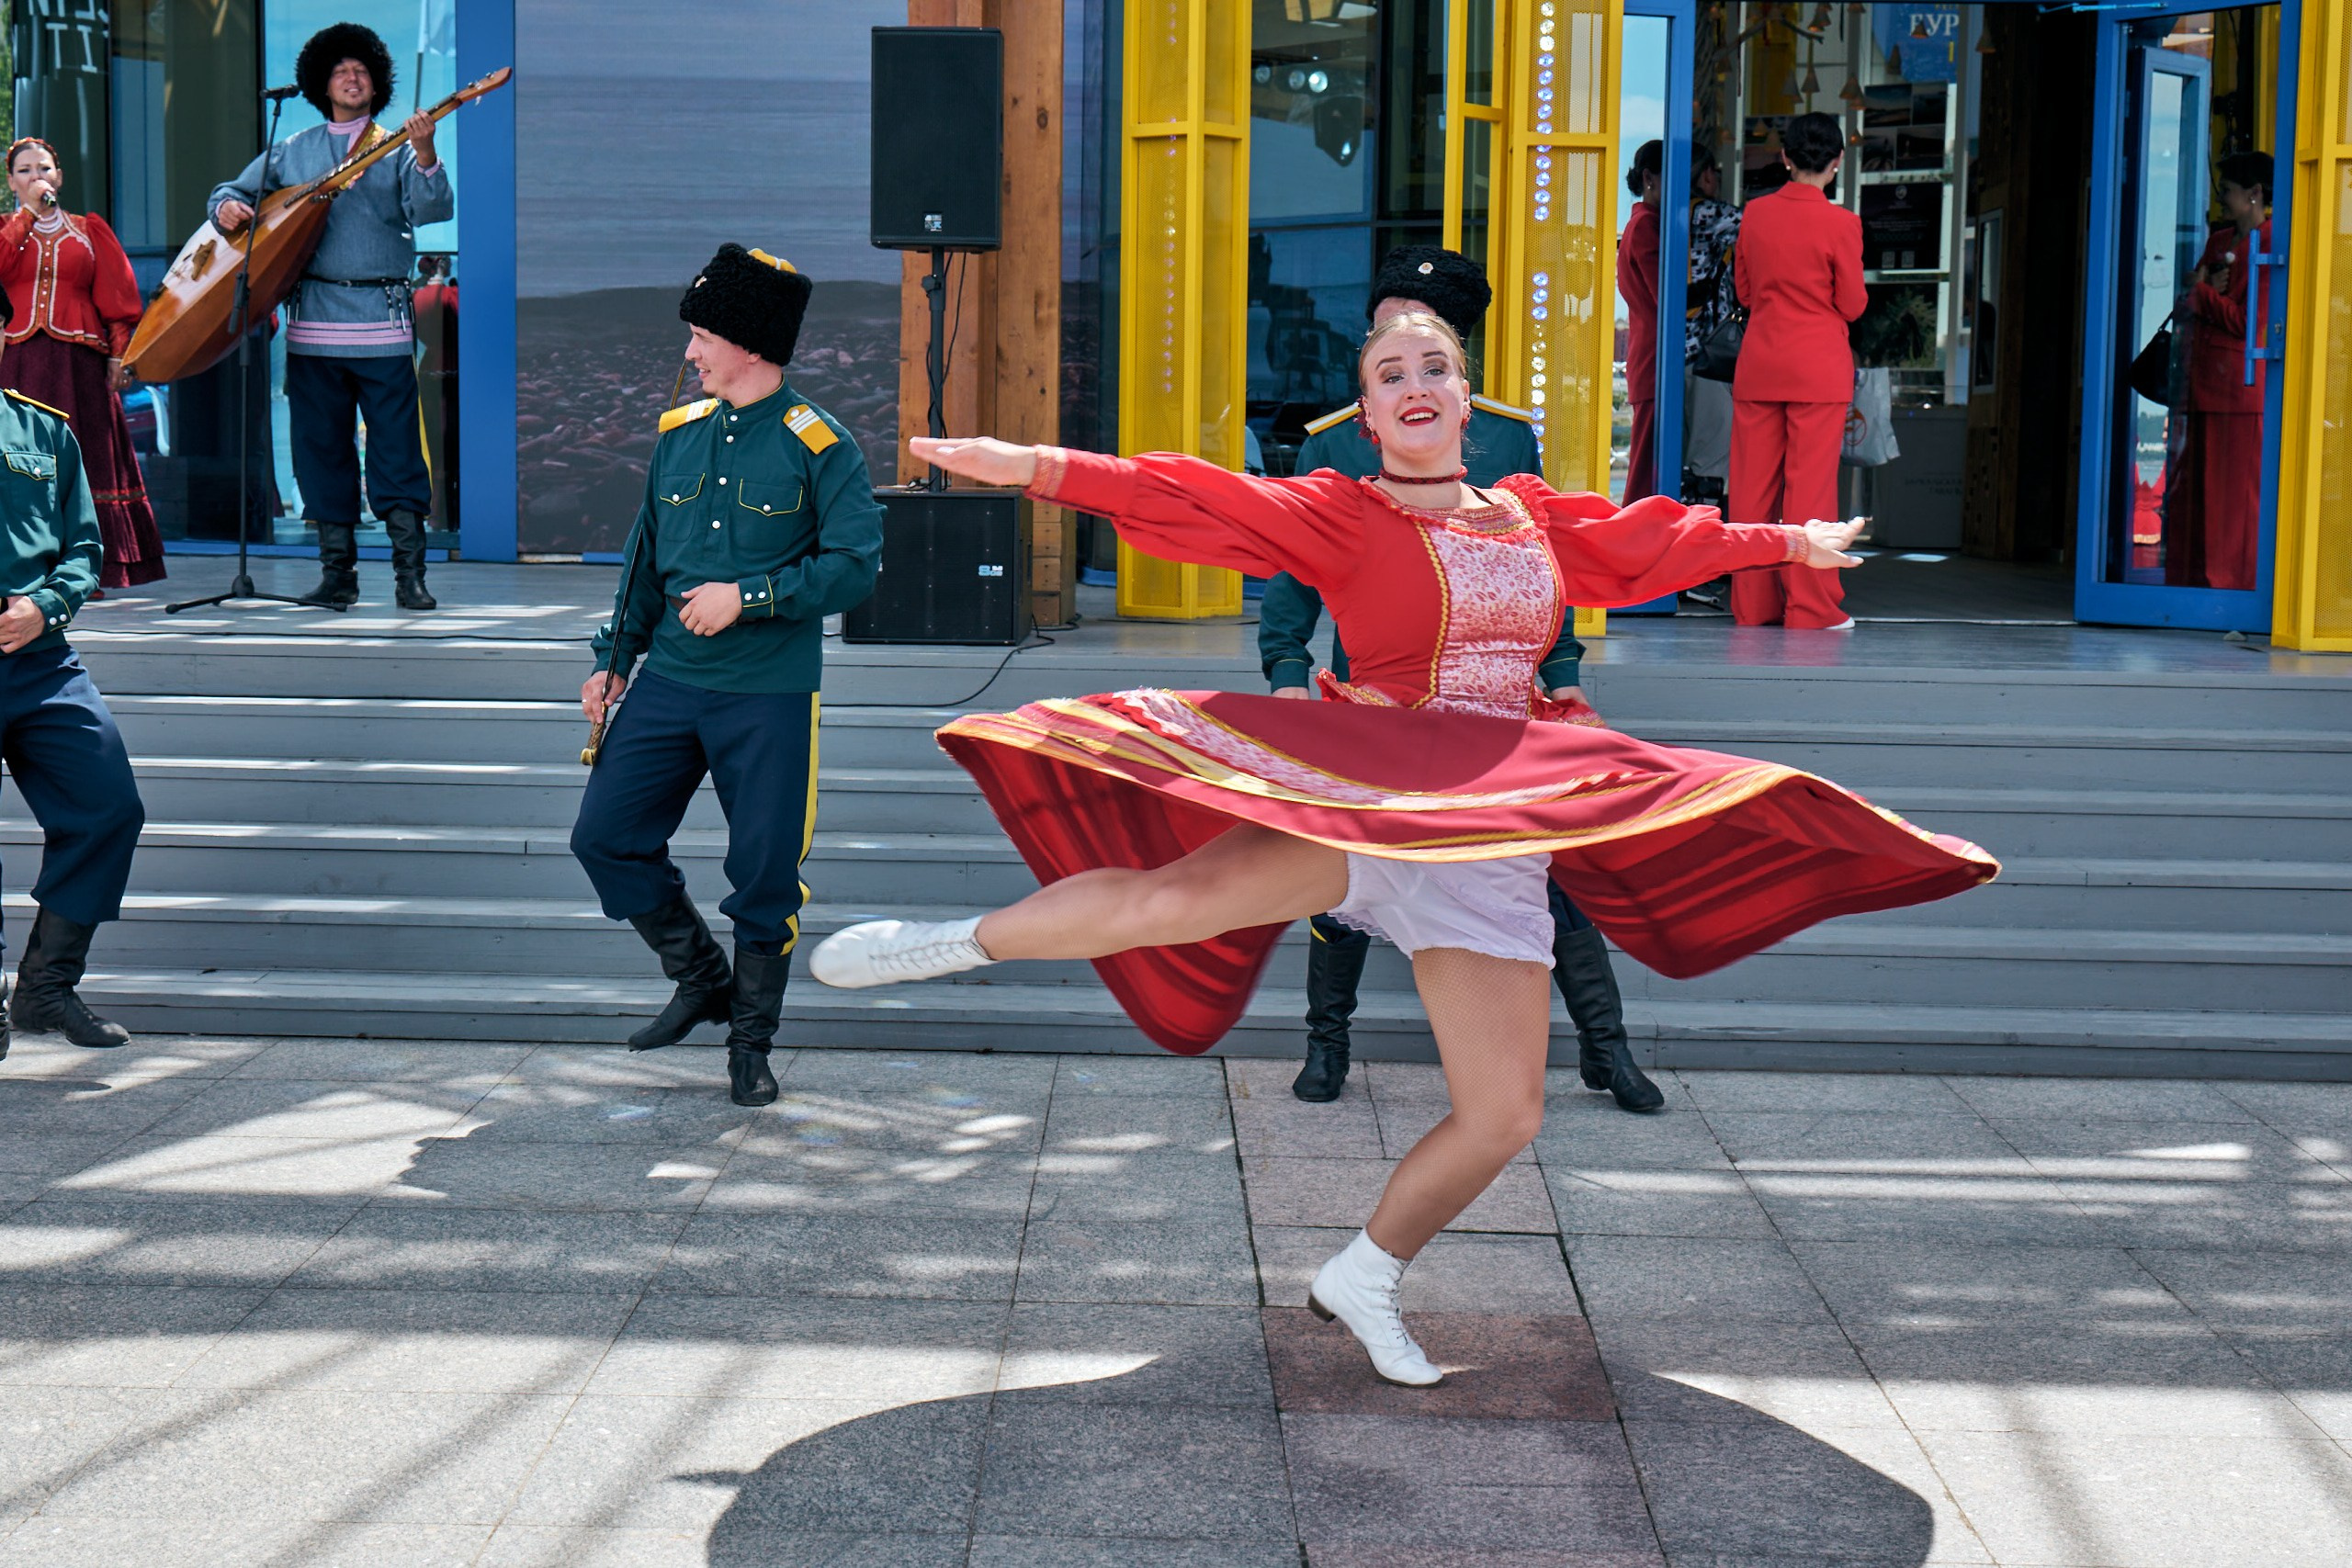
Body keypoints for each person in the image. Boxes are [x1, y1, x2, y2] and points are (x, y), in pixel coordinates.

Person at [808, 311, 1996, 1386]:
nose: (1417, 384)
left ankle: (1364, 1272)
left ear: (1466, 400)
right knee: (1173, 900)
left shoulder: (1536, 518)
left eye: (1435, 367)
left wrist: (1788, 541)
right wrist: (1028, 468)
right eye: (1391, 374)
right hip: (1370, 796)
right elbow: (1195, 494)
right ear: (1368, 413)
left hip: (1496, 835)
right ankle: (947, 942)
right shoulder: (1344, 511)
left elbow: (1656, 545)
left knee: (1505, 1113)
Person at [1259, 246, 1659, 1113]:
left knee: (1548, 871)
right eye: (1385, 325)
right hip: (1380, 704)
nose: (1398, 338)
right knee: (1350, 877)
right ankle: (1325, 1046)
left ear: (1459, 349)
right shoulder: (1335, 442)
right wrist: (1289, 668)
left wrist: (1565, 678)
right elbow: (1295, 570)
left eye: (1421, 327)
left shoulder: (1509, 437)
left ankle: (1607, 1048)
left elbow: (1538, 570)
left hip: (1502, 710)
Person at [570, 244, 883, 1110]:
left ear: (752, 343)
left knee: (765, 874)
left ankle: (752, 1045)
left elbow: (857, 568)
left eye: (705, 334)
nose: (692, 352)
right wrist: (612, 661)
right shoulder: (678, 435)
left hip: (768, 692)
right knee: (604, 837)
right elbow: (643, 562)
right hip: (669, 679)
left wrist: (752, 595)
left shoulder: (822, 444)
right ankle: (702, 978)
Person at [209, 23, 450, 611]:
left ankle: (409, 577)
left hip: (382, 324)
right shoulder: (293, 150)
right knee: (322, 452)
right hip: (312, 327)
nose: (352, 77)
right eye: (342, 70)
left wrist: (423, 151)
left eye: (362, 71)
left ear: (377, 84)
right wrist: (231, 208)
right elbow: (224, 194)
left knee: (396, 452)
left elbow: (434, 209)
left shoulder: (394, 147)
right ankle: (337, 576)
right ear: (322, 83)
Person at [0, 293, 145, 1057]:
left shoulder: (44, 430)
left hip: (37, 653)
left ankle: (46, 987)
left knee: (109, 805)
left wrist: (46, 606)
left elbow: (82, 549)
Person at [0, 138, 164, 594]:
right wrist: (26, 216)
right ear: (12, 181)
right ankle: (20, 568)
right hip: (15, 363)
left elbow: (119, 300)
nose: (37, 177)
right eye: (26, 170)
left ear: (60, 176)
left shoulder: (88, 230)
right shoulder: (4, 229)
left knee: (81, 460)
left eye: (45, 169)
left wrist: (118, 355)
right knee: (19, 462)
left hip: (78, 367)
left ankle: (85, 571)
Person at [1726, 112, 1866, 629]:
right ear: (1837, 163)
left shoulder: (1756, 215)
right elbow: (1851, 303)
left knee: (1751, 492)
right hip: (1819, 369)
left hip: (1761, 364)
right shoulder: (1842, 223)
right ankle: (1811, 608)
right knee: (1810, 493)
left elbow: (1743, 292)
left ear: (1784, 158)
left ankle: (1753, 605)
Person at [2165, 151, 2272, 592]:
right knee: (2195, 496)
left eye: (2227, 191)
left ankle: (2230, 587)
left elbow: (2250, 325)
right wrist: (2202, 293)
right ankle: (2194, 584)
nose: (2220, 200)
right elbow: (2185, 303)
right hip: (2203, 384)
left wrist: (2203, 292)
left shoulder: (2271, 244)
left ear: (2254, 194)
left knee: (2232, 504)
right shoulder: (2219, 242)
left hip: (2239, 391)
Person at [1683, 144, 1742, 504]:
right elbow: (1759, 226)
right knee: (1711, 454)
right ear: (1706, 176)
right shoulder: (1708, 213)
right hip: (1709, 352)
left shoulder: (1664, 215)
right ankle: (1705, 529)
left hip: (1673, 350)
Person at [1618, 140, 1664, 503]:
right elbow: (1664, 297)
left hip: (1647, 358)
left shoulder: (1639, 224)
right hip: (1654, 360)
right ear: (1649, 178)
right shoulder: (1647, 226)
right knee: (1645, 473)